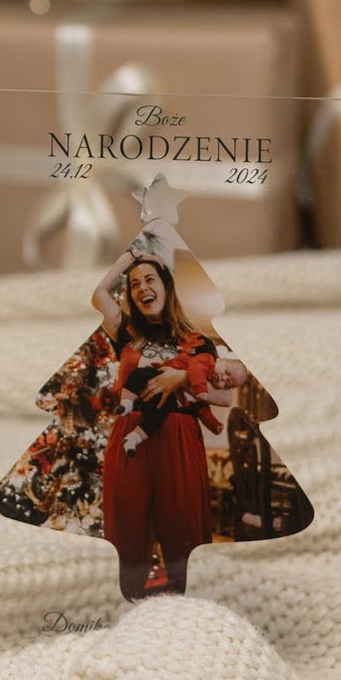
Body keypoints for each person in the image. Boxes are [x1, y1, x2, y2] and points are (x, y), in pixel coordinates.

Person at [94, 247, 216, 601]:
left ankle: (189, 606)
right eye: (134, 284)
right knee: (127, 524)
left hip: (178, 435)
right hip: (131, 435)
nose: (141, 287)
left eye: (149, 279)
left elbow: (212, 389)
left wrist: (180, 379)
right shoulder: (126, 332)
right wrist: (131, 258)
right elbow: (100, 293)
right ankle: (126, 601)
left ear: (165, 286)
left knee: (184, 526)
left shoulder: (198, 341)